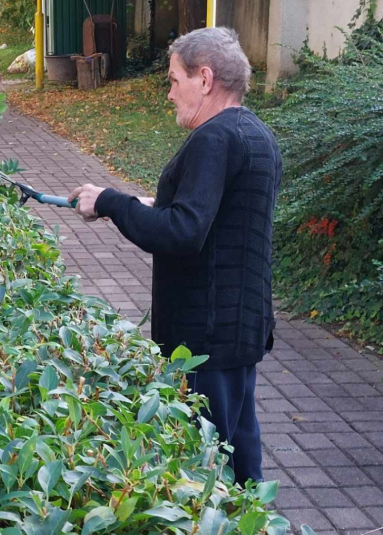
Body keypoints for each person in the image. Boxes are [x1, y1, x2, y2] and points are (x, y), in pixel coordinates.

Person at [68, 27, 282, 487]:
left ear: (204, 79)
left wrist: (110, 202)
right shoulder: (256, 134)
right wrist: (143, 205)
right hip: (241, 330)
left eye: (173, 80)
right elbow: (220, 219)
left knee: (207, 473)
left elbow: (184, 233)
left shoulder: (213, 139)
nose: (169, 93)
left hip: (203, 340)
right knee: (242, 464)